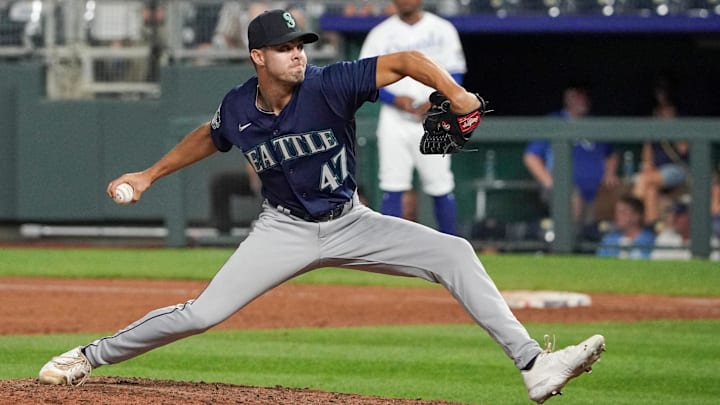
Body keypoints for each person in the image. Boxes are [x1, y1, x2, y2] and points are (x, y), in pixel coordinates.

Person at [37, 9, 605, 404]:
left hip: (351, 221)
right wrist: (148, 174)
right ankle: (87, 356)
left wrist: (455, 95)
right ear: (258, 56)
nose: (296, 56)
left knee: (454, 252)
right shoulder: (239, 106)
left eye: (300, 46)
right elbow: (210, 137)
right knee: (203, 314)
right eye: (284, 48)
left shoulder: (331, 84)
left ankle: (534, 366)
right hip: (283, 229)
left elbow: (406, 59)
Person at [358, 0, 467, 235]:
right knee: (392, 183)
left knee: (441, 184)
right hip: (395, 117)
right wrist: (395, 99)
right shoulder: (381, 34)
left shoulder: (443, 29)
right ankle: (390, 249)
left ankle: (452, 246)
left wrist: (437, 99)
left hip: (435, 116)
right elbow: (364, 78)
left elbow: (456, 73)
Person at [524, 83, 620, 230]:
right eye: (577, 96)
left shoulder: (595, 124)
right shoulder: (554, 121)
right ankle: (567, 247)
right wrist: (550, 182)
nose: (582, 101)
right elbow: (531, 157)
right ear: (567, 98)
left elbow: (611, 154)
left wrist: (610, 173)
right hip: (565, 188)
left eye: (584, 97)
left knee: (623, 194)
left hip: (597, 190)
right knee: (572, 198)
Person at [632, 84, 689, 226]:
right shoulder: (653, 131)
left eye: (668, 111)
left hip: (678, 171)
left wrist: (670, 128)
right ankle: (652, 226)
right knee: (650, 189)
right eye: (662, 112)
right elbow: (647, 161)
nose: (665, 114)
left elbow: (683, 149)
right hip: (657, 174)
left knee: (644, 180)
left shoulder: (681, 128)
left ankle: (631, 220)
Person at [210, 163, 261, 235]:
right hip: (257, 177)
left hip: (276, 181)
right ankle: (224, 233)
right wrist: (254, 179)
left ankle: (265, 229)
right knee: (220, 182)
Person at [650, 196, 691, 260]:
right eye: (673, 215)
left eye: (679, 216)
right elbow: (655, 264)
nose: (674, 219)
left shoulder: (706, 239)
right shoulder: (665, 237)